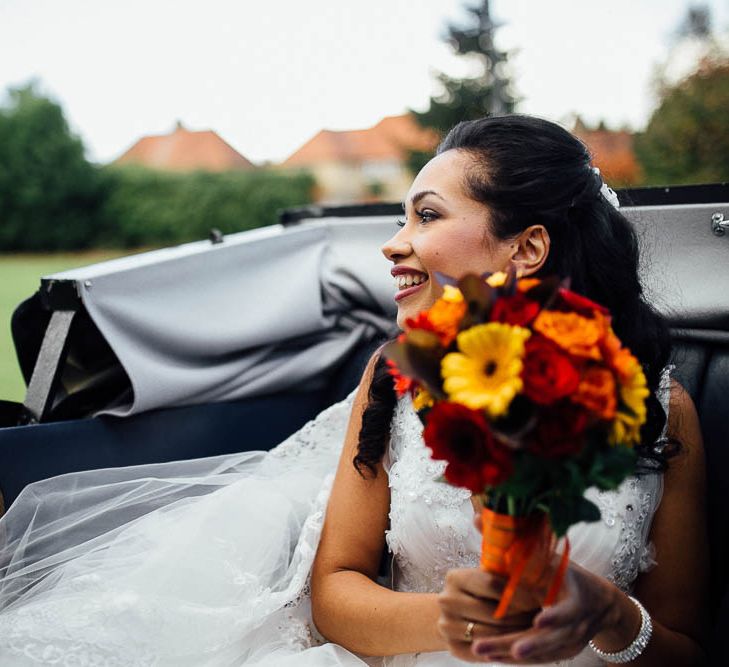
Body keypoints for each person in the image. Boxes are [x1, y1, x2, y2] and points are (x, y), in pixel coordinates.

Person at [0, 115, 707, 666]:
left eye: (425, 216)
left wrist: (614, 617)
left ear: (525, 249)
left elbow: (684, 646)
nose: (394, 242)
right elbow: (334, 588)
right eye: (403, 217)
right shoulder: (396, 376)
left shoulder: (659, 408)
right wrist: (451, 616)